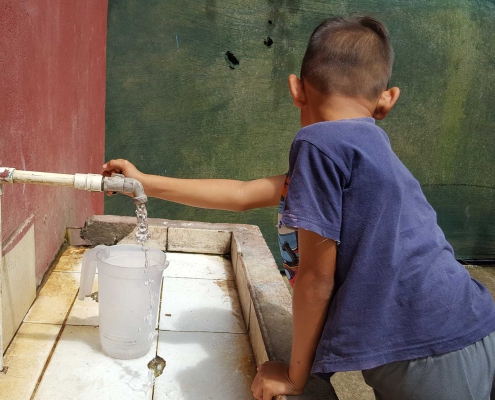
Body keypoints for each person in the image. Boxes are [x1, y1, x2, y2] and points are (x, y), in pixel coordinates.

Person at [103, 15, 495, 400]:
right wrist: (143, 183)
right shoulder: (366, 152)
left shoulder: (317, 145)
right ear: (386, 100)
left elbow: (315, 280)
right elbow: (242, 194)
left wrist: (294, 376)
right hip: (465, 325)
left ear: (296, 89)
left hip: (428, 351)